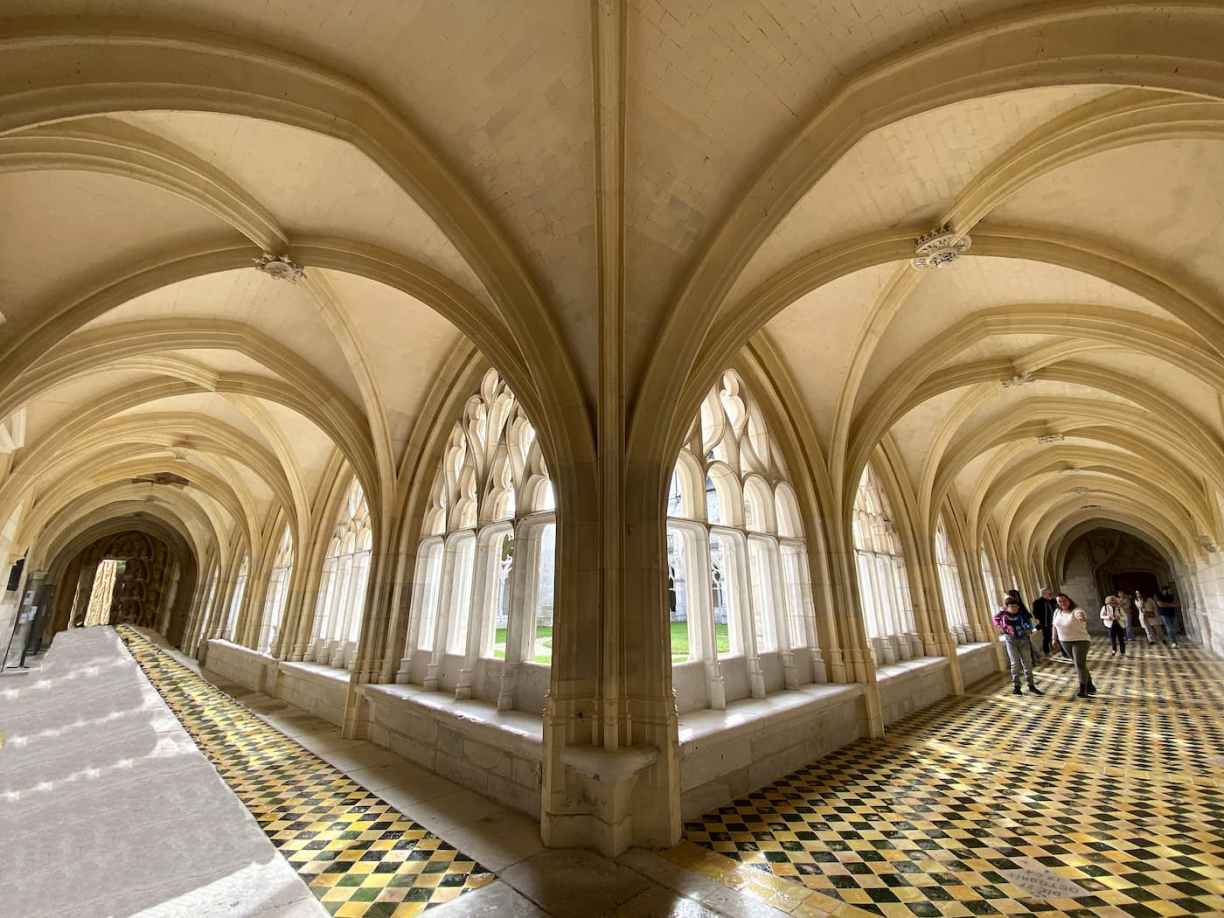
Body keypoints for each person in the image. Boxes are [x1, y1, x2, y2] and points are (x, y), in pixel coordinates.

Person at [993, 598, 1043, 696]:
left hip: (1023, 640)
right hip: (1010, 640)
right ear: (1007, 607)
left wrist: (1029, 630)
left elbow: (1029, 624)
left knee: (1027, 663)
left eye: (1016, 606)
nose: (1014, 608)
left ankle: (1031, 685)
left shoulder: (1021, 615)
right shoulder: (1003, 615)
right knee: (1015, 663)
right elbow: (995, 620)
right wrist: (1001, 613)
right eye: (1011, 606)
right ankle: (1016, 687)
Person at [1051, 593, 1096, 699]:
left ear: (1069, 600)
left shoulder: (1077, 610)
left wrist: (1082, 618)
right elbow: (1054, 626)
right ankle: (1090, 685)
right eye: (1060, 601)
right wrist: (1054, 639)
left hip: (1081, 640)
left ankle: (1082, 690)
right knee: (1079, 664)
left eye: (1064, 600)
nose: (1063, 603)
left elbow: (1081, 616)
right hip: (1065, 641)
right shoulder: (1057, 611)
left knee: (1079, 664)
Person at [1032, 587, 1059, 657]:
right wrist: (1040, 620)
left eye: (1050, 593)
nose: (1050, 594)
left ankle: (1058, 649)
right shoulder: (1037, 602)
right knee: (1047, 637)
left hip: (1056, 622)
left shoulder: (1053, 600)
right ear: (1043, 593)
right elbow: (1035, 613)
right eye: (1048, 593)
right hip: (1045, 623)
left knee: (1057, 636)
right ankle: (1047, 652)